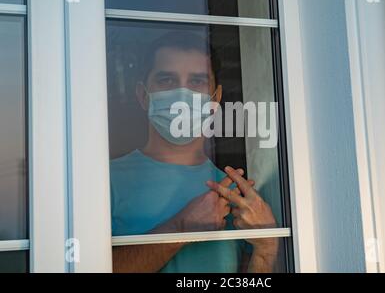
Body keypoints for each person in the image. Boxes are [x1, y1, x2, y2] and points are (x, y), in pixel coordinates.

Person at [110, 32, 278, 273]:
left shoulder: (238, 194)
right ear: (142, 95)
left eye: (197, 81)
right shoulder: (106, 181)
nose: (182, 95)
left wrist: (266, 249)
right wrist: (181, 228)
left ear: (216, 98)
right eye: (167, 80)